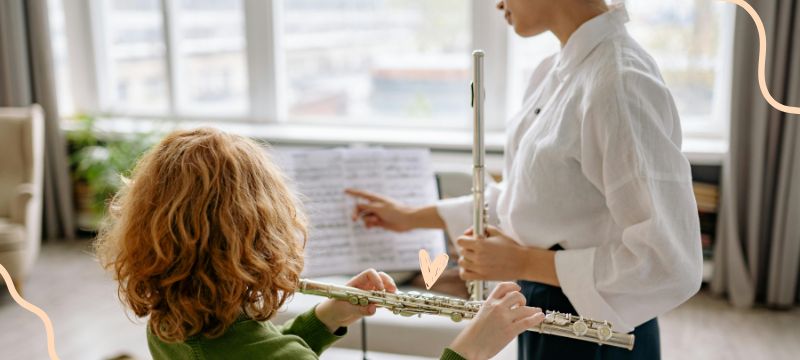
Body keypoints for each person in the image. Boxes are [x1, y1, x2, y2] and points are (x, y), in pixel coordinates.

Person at [345, 0, 703, 359]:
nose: (498, 3)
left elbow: (667, 261)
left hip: (596, 324)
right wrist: (411, 217)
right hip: (545, 305)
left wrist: (521, 262)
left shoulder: (620, 84)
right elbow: (529, 200)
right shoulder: (557, 69)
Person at [94, 128, 545, 360]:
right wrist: (469, 348)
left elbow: (260, 353)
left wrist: (328, 317)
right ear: (259, 239)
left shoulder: (172, 321)